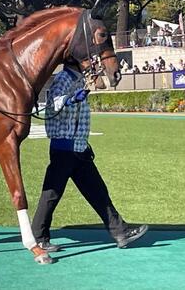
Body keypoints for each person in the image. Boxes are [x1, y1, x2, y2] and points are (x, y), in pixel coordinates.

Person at [31, 62, 148, 252]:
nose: (89, 60)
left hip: (79, 148)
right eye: (84, 58)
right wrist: (70, 100)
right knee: (52, 194)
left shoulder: (77, 79)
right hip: (65, 147)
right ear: (73, 59)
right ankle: (38, 237)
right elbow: (53, 104)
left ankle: (120, 232)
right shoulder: (63, 78)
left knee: (98, 191)